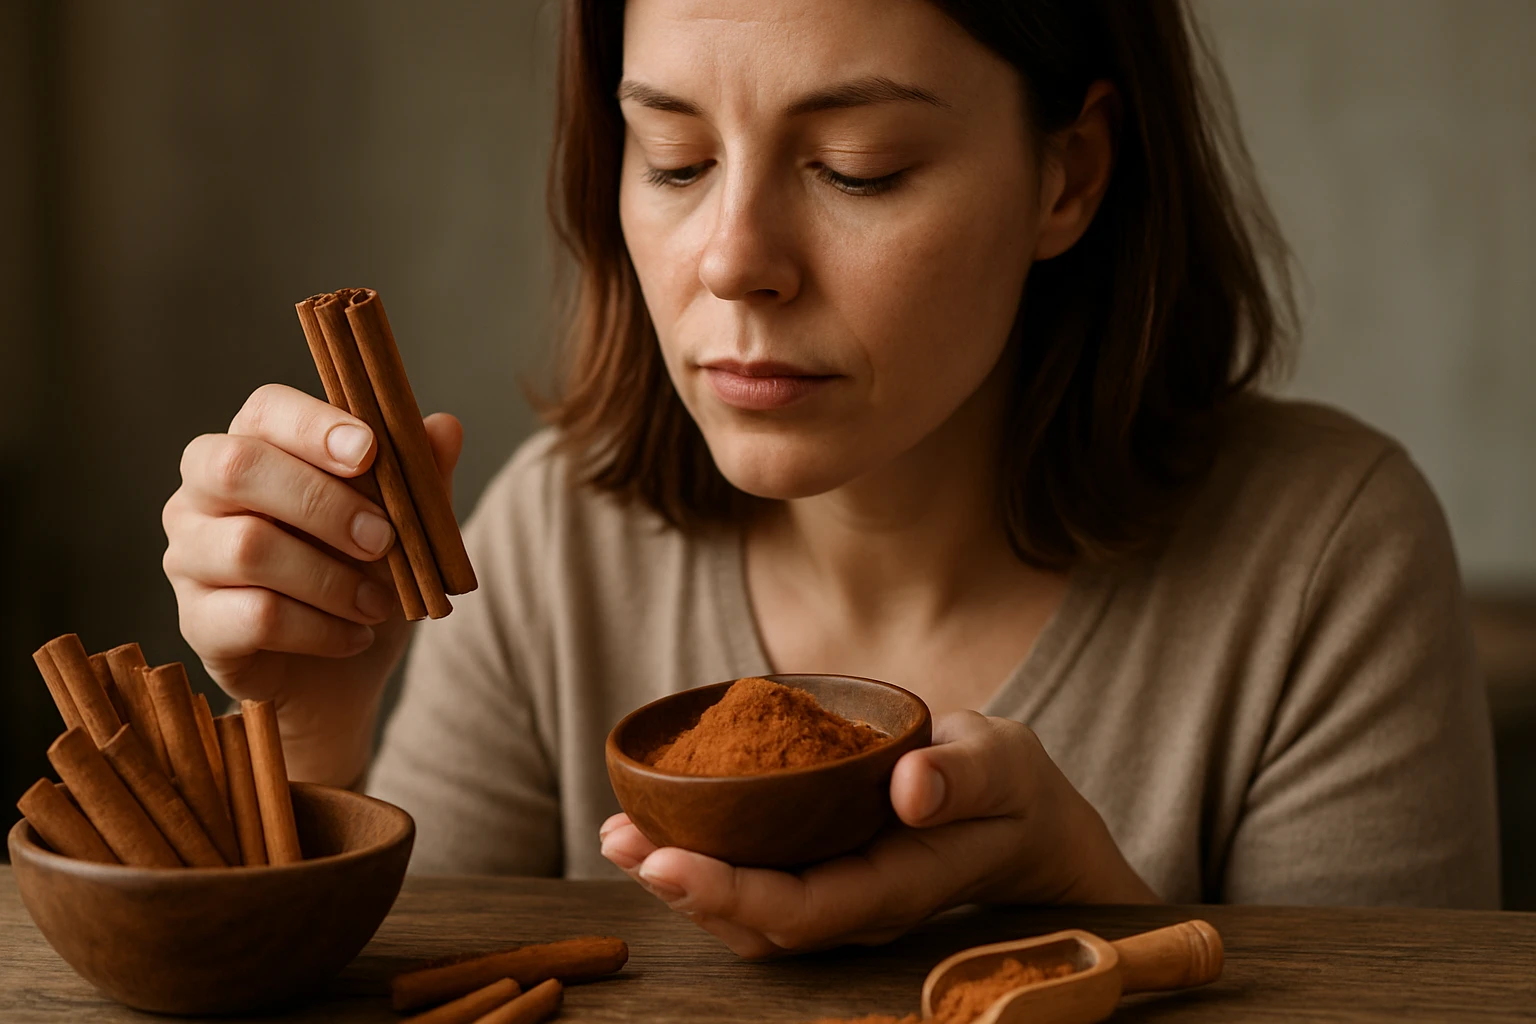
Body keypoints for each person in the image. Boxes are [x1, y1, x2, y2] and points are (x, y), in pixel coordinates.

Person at [161, 0, 1501, 956]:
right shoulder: (552, 539)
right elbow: (427, 997)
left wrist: (1085, 911)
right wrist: (314, 726)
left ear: (1068, 177)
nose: (735, 258)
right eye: (673, 157)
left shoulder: (1326, 558)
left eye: (858, 168)